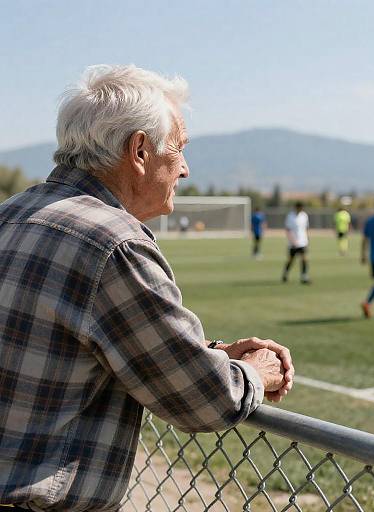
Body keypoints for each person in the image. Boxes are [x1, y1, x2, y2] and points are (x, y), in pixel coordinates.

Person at [0, 65, 293, 511]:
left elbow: (63, 339)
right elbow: (202, 399)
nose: (186, 170)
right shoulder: (113, 243)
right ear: (139, 150)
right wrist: (256, 369)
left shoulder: (11, 214)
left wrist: (206, 350)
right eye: (179, 149)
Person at [282, 201, 310, 284]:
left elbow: (306, 228)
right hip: (293, 243)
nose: (301, 209)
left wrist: (307, 239)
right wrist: (292, 241)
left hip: (303, 242)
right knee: (290, 260)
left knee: (304, 259)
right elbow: (288, 230)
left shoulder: (304, 215)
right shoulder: (290, 216)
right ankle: (285, 274)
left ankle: (304, 277)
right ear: (296, 207)